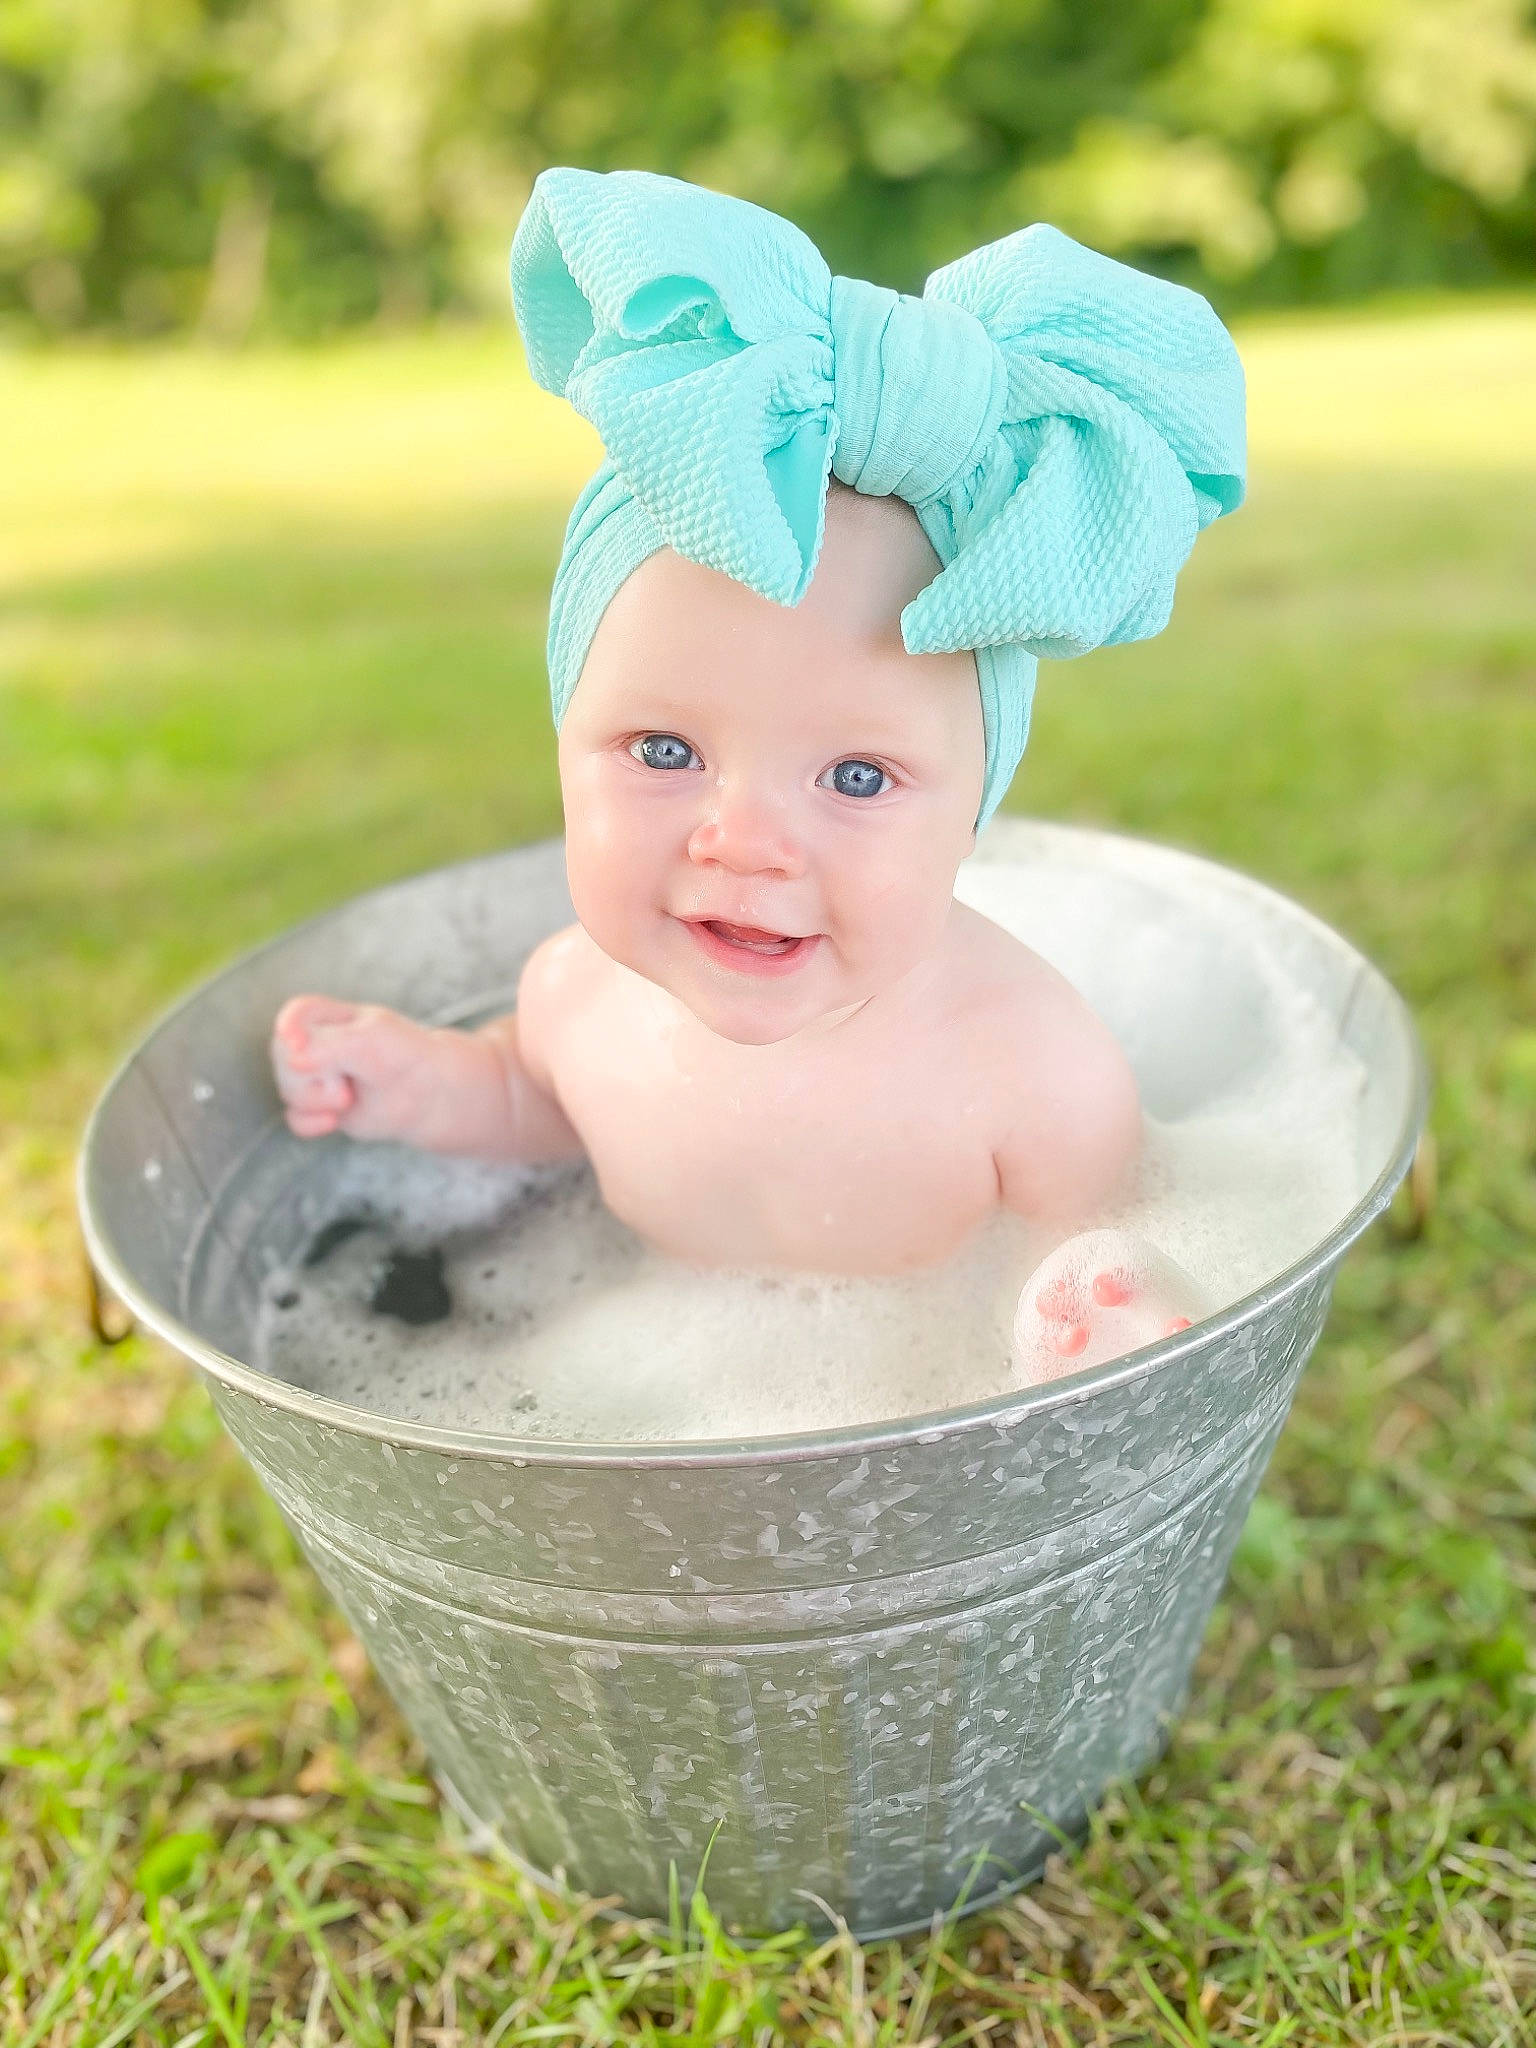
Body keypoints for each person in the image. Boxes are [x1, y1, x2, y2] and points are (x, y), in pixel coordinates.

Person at [271, 167, 1246, 1358]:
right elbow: (541, 1107)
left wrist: (1104, 1300)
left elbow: (1115, 1232)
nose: (743, 840)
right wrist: (427, 1083)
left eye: (856, 777)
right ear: (565, 742)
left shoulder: (1034, 1065)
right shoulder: (576, 997)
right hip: (655, 1394)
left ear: (973, 813)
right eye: (665, 750)